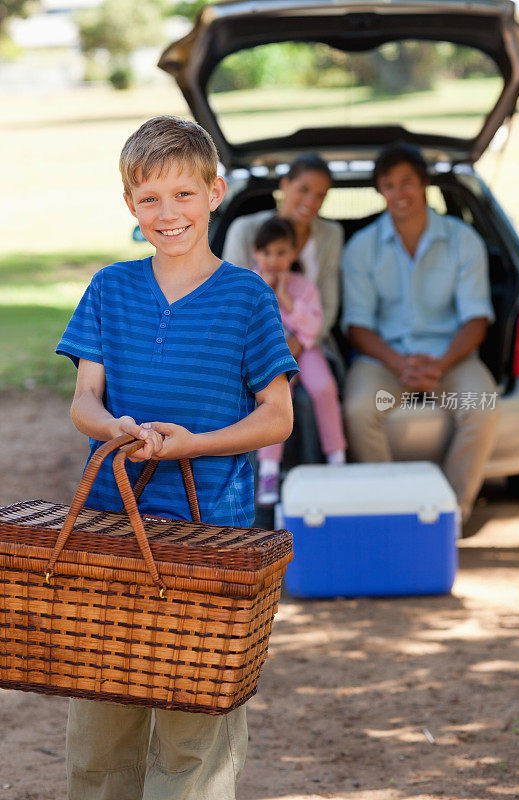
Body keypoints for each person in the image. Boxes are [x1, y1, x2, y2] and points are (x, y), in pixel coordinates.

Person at [55, 115, 298, 800]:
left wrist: (193, 444)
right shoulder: (110, 288)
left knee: (193, 731)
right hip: (109, 528)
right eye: (150, 198)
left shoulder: (248, 297)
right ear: (130, 205)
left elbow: (275, 417)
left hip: (209, 535)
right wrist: (116, 428)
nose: (169, 214)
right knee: (102, 720)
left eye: (184, 195)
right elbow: (84, 402)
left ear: (215, 192)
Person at [342, 142, 499, 522]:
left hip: (451, 356)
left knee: (484, 406)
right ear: (380, 190)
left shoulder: (464, 240)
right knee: (359, 409)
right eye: (389, 185)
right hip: (385, 359)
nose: (399, 193)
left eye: (407, 182)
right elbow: (357, 325)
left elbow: (476, 319)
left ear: (425, 183)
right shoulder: (362, 248)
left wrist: (441, 364)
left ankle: (451, 514)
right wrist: (401, 364)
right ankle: (390, 511)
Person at [253, 216, 346, 505]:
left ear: (293, 254)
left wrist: (285, 297)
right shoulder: (251, 283)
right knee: (279, 396)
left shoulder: (304, 286)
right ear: (256, 253)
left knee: (323, 387)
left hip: (306, 351)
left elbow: (313, 326)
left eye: (281, 253)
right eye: (266, 253)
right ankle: (269, 470)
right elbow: (250, 323)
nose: (273, 260)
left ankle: (337, 457)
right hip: (272, 356)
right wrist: (269, 292)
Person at [222, 154, 344, 351]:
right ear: (285, 185)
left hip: (310, 344)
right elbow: (232, 301)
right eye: (303, 189)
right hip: (251, 345)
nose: (311, 201)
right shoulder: (244, 230)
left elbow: (328, 306)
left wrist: (299, 343)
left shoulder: (331, 235)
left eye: (320, 195)